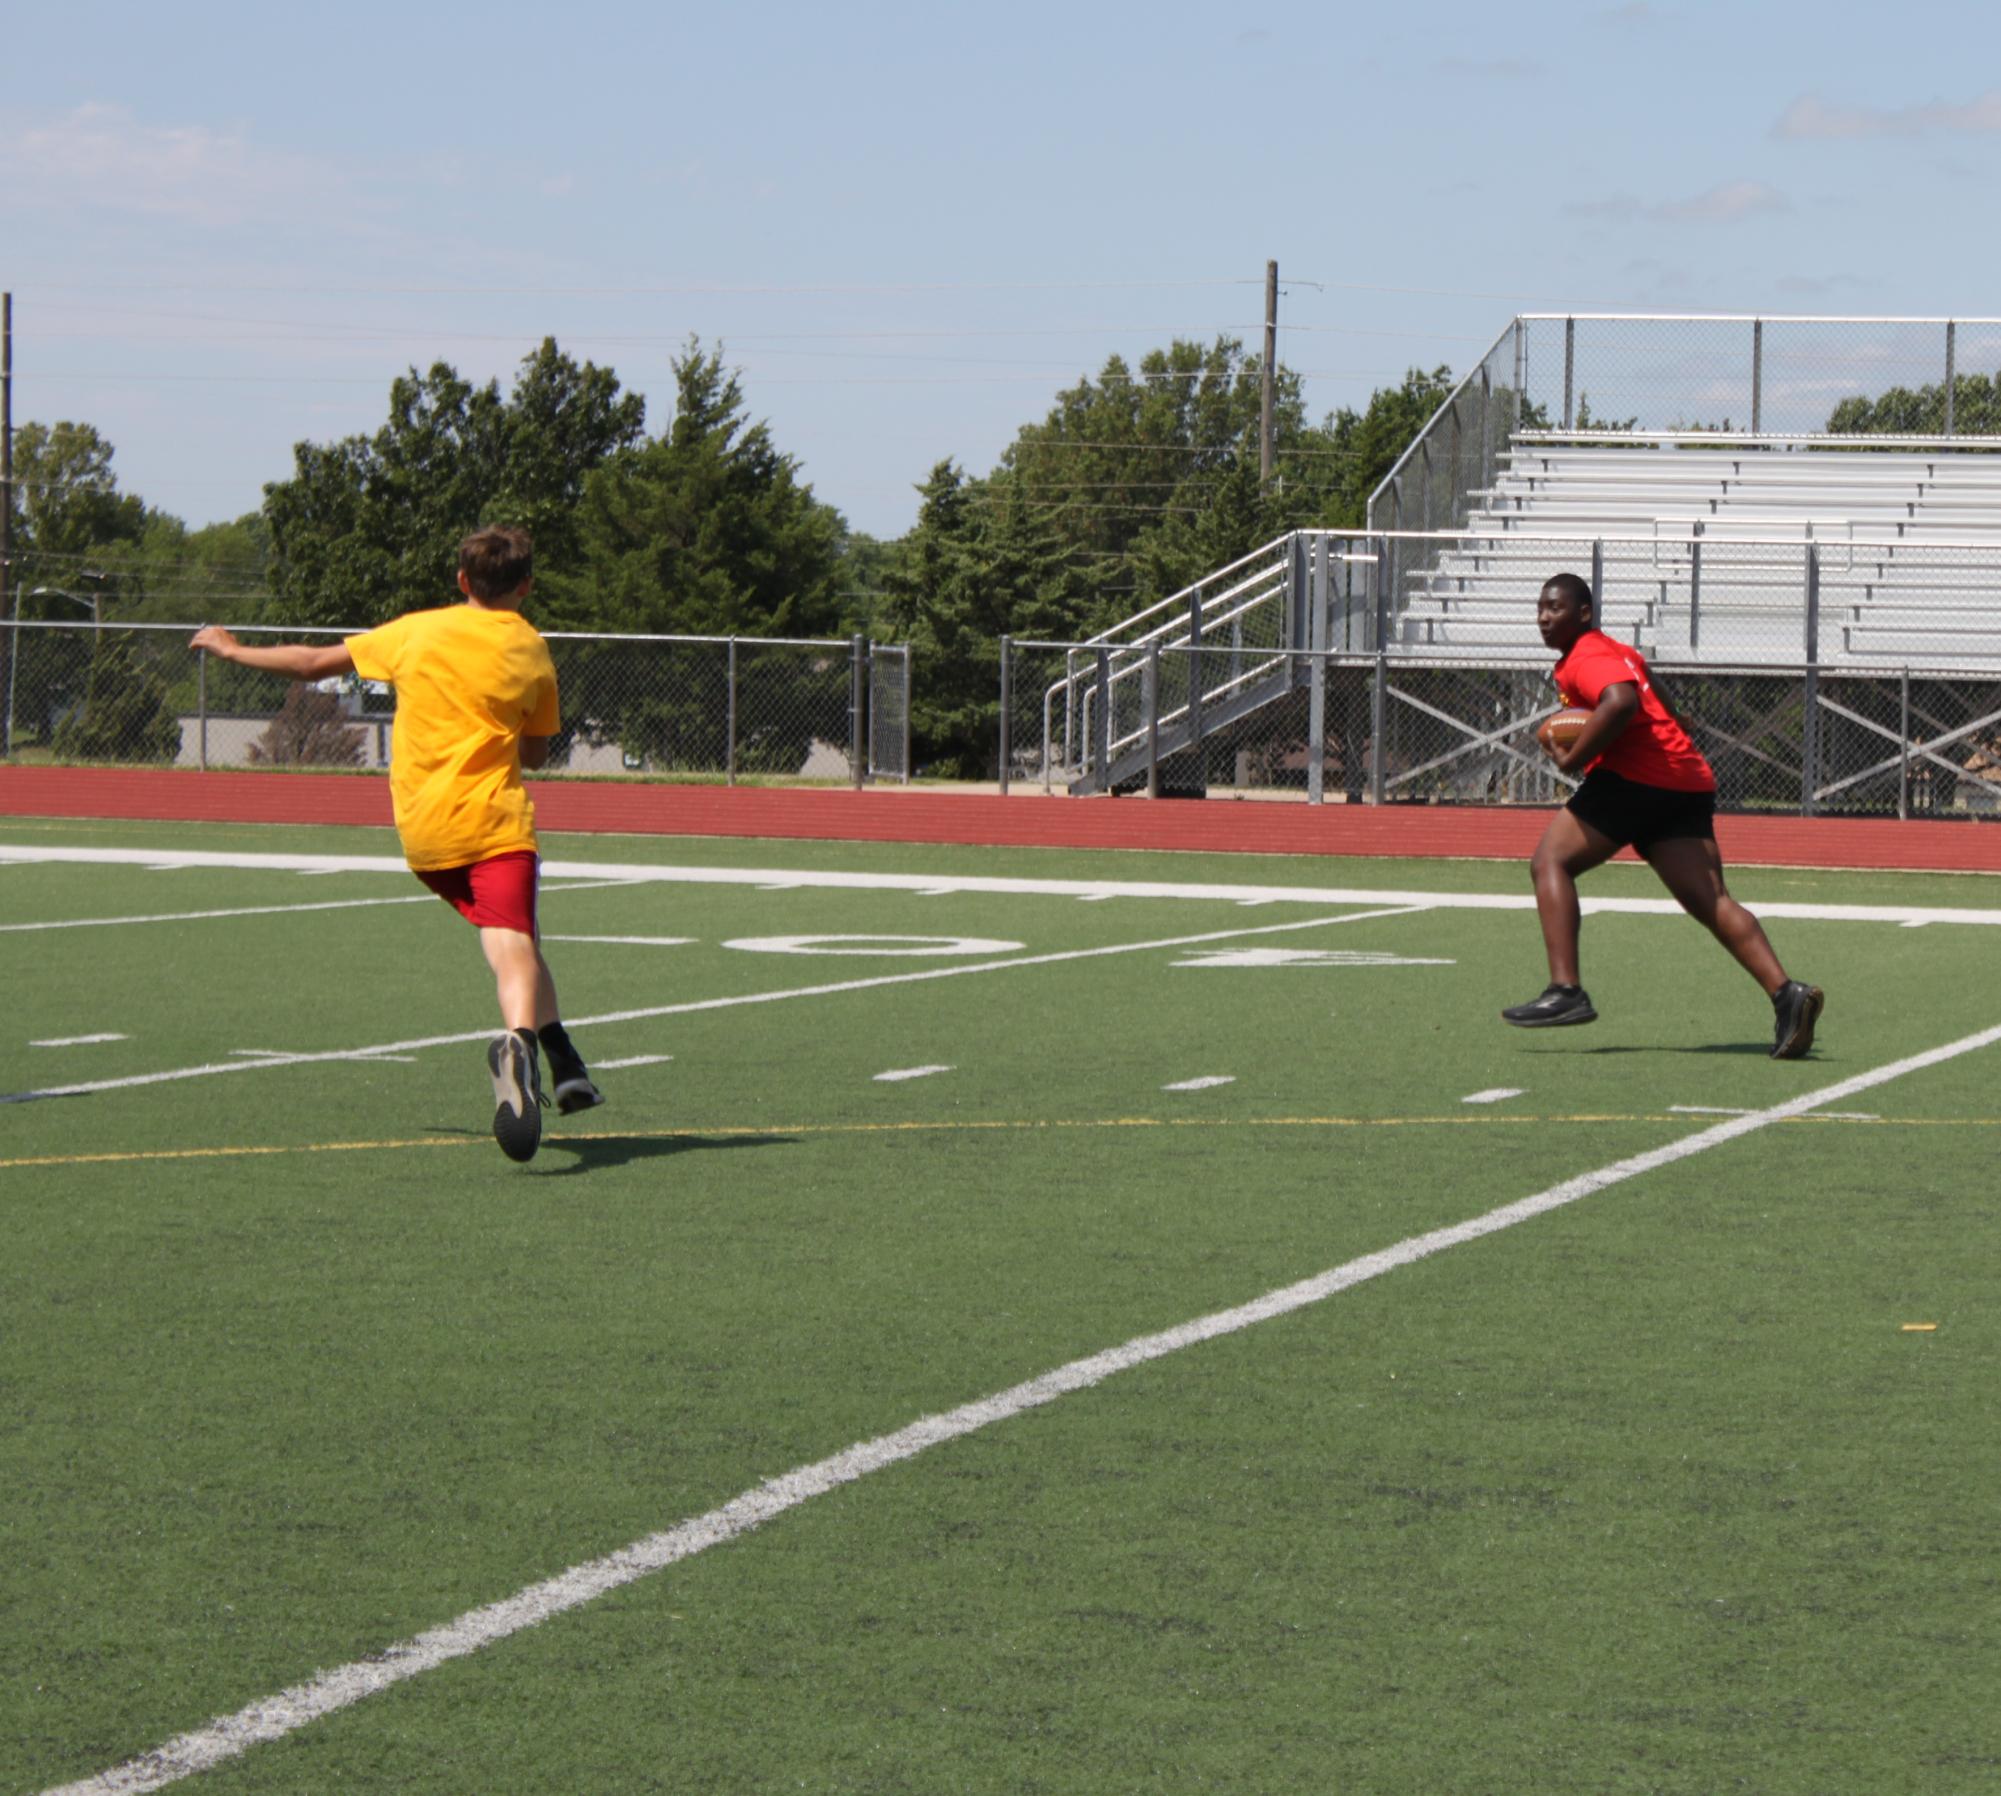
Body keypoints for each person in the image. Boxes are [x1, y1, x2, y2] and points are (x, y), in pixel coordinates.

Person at [190, 524, 603, 1161]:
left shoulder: (414, 632)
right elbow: (539, 751)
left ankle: (564, 1060)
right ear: (526, 586)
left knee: (514, 937)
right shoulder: (532, 650)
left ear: (463, 581)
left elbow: (308, 663)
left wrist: (231, 648)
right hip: (494, 822)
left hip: (425, 829)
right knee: (515, 943)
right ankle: (520, 1044)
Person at [1502, 571, 1824, 1059]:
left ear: (1583, 613)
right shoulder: (1616, 649)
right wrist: (1677, 718)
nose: (1544, 619)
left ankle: (1565, 990)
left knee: (1550, 863)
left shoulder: (1585, 655)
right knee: (1710, 901)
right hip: (1685, 780)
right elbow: (1645, 680)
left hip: (1636, 779)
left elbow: (1622, 701)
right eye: (1540, 610)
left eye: (1555, 609)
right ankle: (1787, 995)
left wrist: (1570, 759)